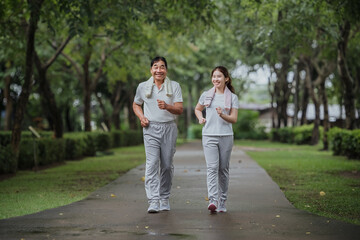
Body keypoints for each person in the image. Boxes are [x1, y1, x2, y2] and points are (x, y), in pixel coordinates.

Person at [133, 56, 183, 213]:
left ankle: (164, 197)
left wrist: (167, 106)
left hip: (169, 128)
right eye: (156, 67)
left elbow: (180, 109)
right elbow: (136, 104)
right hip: (150, 129)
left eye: (162, 67)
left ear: (166, 70)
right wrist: (142, 117)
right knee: (152, 163)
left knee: (167, 165)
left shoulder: (174, 86)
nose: (159, 70)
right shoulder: (143, 87)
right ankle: (153, 200)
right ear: (151, 70)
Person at [194, 66, 239, 213]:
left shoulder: (232, 97)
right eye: (214, 76)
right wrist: (201, 118)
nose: (215, 79)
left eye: (219, 76)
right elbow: (197, 109)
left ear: (226, 78)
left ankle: (222, 201)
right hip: (209, 136)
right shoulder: (206, 95)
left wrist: (222, 115)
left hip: (226, 136)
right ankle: (212, 200)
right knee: (212, 168)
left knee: (223, 169)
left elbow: (233, 119)